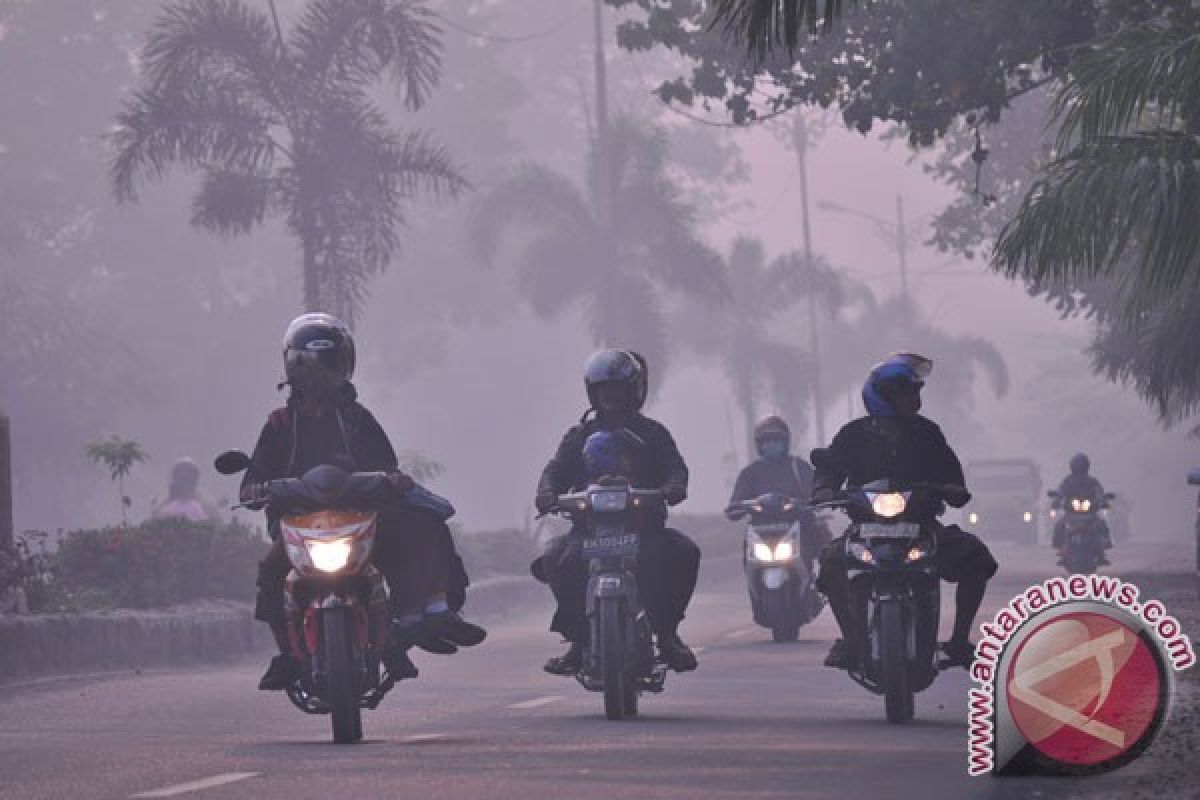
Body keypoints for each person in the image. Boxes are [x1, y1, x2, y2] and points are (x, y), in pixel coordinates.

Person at [244, 313, 485, 690]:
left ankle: (411, 622)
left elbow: (386, 467)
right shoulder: (279, 424)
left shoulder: (358, 418)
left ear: (344, 367)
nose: (320, 379)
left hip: (358, 517)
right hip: (299, 524)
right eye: (311, 368)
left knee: (419, 526)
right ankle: (286, 654)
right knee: (272, 571)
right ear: (295, 369)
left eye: (330, 367)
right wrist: (255, 490)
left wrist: (393, 480)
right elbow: (254, 477)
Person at [812, 353, 998, 670]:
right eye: (905, 392)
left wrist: (954, 488)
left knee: (976, 559)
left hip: (922, 526)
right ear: (883, 396)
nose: (914, 399)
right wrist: (824, 490)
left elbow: (952, 475)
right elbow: (829, 468)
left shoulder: (927, 433)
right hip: (866, 528)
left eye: (915, 392)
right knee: (830, 564)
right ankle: (852, 641)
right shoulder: (852, 435)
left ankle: (958, 641)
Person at [532, 349, 701, 675]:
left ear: (634, 390)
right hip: (588, 530)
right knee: (556, 560)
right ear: (592, 392)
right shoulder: (578, 435)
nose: (610, 395)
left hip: (645, 529)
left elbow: (675, 469)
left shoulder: (654, 434)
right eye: (603, 389)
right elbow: (555, 469)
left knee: (685, 553)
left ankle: (667, 635)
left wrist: (674, 486)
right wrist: (547, 491)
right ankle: (578, 642)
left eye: (618, 388)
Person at [725, 415, 829, 565]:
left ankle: (823, 583)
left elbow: (816, 491)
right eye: (766, 441)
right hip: (760, 534)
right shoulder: (750, 473)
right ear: (759, 445)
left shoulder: (799, 467)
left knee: (828, 553)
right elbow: (735, 505)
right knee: (747, 546)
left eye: (776, 440)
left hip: (798, 530)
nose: (771, 444)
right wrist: (736, 508)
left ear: (785, 442)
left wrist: (817, 498)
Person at [1051, 453, 1112, 565]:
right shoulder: (1067, 481)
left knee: (1102, 524)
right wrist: (1056, 501)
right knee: (1059, 525)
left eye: (1081, 465)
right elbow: (1060, 493)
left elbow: (1099, 493)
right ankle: (1061, 547)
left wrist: (1103, 501)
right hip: (1071, 513)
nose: (1079, 468)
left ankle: (1102, 549)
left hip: (1090, 513)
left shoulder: (1092, 482)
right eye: (1077, 465)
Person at [152, 458, 220, 523]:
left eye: (188, 476)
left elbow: (217, 526)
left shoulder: (207, 505)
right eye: (181, 476)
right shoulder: (162, 506)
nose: (185, 479)